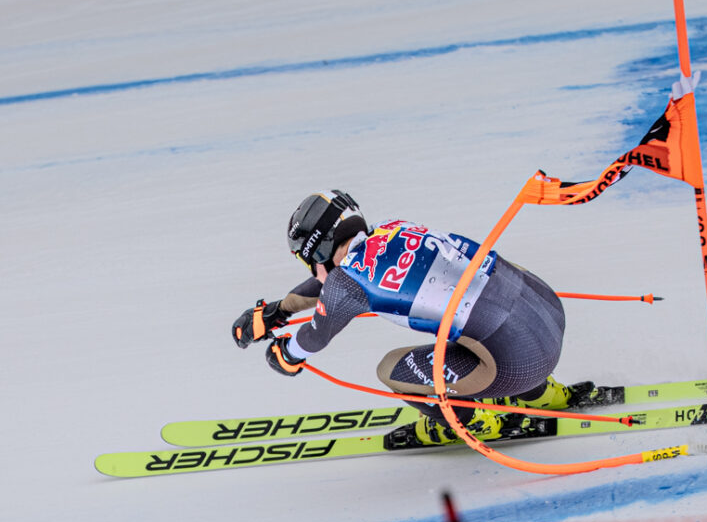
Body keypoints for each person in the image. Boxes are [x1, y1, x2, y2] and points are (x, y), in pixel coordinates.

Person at [232, 190, 612, 447]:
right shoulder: (394, 228)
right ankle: (543, 394)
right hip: (547, 312)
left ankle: (475, 421)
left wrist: (285, 356)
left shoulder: (346, 285)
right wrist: (281, 310)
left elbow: (313, 339)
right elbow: (334, 285)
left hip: (517, 362)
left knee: (389, 369)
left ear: (320, 250)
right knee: (475, 324)